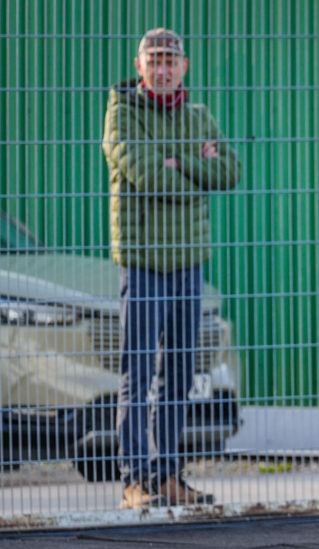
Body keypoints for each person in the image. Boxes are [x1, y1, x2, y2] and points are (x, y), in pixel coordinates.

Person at [102, 28, 240, 509]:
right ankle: (135, 480)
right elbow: (142, 172)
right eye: (153, 60)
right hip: (142, 261)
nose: (162, 68)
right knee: (137, 373)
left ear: (184, 67)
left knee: (179, 374)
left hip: (188, 260)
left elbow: (231, 171)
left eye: (170, 60)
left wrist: (177, 163)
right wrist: (191, 168)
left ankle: (167, 474)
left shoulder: (198, 115)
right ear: (139, 67)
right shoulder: (122, 112)